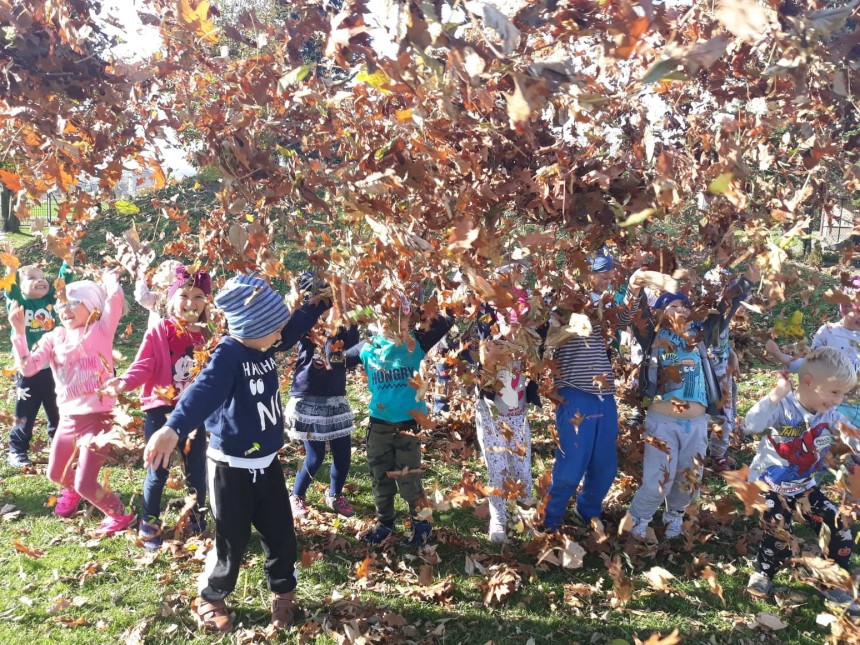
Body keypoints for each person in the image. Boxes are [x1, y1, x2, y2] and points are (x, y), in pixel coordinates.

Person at [143, 273, 329, 633]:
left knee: (281, 534)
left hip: (267, 465)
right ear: (252, 325)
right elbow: (202, 392)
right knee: (232, 539)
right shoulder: (228, 355)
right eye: (274, 329)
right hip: (230, 469)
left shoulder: (264, 344)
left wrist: (320, 302)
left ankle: (283, 592)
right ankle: (211, 595)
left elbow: (290, 329)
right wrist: (173, 427)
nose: (281, 336)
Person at [9, 270, 136, 537]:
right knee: (55, 474)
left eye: (73, 303)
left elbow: (114, 299)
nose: (65, 309)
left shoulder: (100, 329)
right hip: (68, 419)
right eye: (62, 304)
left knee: (85, 482)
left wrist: (110, 278)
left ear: (91, 307)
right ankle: (73, 492)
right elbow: (29, 368)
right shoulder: (54, 337)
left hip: (98, 419)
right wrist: (19, 334)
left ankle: (119, 514)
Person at [744, 348, 858, 613]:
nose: (838, 400)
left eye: (842, 393)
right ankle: (764, 571)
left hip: (804, 488)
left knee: (838, 526)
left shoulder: (829, 415)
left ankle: (834, 581)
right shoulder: (783, 407)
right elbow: (751, 423)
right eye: (834, 392)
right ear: (808, 382)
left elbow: (852, 437)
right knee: (779, 526)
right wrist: (776, 395)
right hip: (766, 486)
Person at [107, 265, 212, 550]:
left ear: (206, 302)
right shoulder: (161, 330)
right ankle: (149, 521)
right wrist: (123, 382)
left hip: (192, 414)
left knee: (196, 471)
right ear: (171, 298)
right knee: (158, 470)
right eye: (185, 295)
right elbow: (144, 364)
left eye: (199, 296)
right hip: (161, 412)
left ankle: (196, 518)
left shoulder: (207, 336)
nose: (191, 303)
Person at [345, 293, 454, 546]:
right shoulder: (368, 347)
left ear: (410, 321)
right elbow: (336, 357)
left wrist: (416, 306)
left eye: (402, 324)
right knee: (380, 478)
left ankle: (422, 523)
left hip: (408, 426)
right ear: (378, 322)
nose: (396, 331)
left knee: (408, 479)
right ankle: (385, 522)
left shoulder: (417, 341)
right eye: (389, 324)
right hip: (379, 425)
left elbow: (447, 318)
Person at [542, 250, 638, 533]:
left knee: (605, 463)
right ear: (585, 273)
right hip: (574, 392)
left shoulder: (607, 302)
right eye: (602, 270)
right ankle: (551, 517)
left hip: (604, 393)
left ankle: (589, 509)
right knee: (572, 461)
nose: (609, 276)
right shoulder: (562, 302)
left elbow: (623, 321)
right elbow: (547, 340)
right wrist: (577, 324)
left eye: (611, 271)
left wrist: (633, 290)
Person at [626, 288, 720, 541]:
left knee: (688, 480)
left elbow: (725, 312)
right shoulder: (652, 335)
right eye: (672, 305)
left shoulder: (699, 336)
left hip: (697, 424)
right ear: (659, 312)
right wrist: (638, 283)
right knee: (658, 481)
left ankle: (674, 517)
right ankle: (638, 520)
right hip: (663, 423)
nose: (680, 310)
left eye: (684, 305)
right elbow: (636, 312)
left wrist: (745, 282)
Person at [287, 272, 361, 519]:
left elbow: (348, 358)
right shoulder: (305, 326)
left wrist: (345, 320)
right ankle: (297, 495)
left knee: (343, 452)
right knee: (315, 455)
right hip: (308, 395)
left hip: (335, 397)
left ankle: (335, 494)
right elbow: (292, 327)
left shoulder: (346, 325)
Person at [469, 290, 539, 542]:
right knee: (498, 470)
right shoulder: (490, 346)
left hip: (518, 418)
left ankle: (525, 513)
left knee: (522, 469)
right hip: (492, 418)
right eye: (511, 323)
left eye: (521, 323)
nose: (516, 329)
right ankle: (497, 518)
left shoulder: (528, 347)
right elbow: (480, 375)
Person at [4, 259, 74, 467]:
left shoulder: (51, 300)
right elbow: (10, 289)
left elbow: (63, 282)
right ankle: (17, 450)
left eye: (43, 277)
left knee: (57, 410)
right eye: (32, 278)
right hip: (28, 371)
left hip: (54, 368)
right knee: (25, 413)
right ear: (21, 287)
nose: (41, 281)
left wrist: (67, 261)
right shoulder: (20, 304)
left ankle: (59, 448)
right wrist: (11, 268)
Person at [701, 266, 759, 472]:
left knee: (725, 413)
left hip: (723, 371)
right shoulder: (709, 316)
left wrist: (732, 354)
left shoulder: (722, 319)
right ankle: (708, 454)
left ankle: (716, 452)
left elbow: (722, 339)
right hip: (706, 376)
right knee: (710, 415)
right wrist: (747, 282)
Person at [134, 259, 183, 329]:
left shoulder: (185, 299)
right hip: (157, 338)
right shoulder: (156, 298)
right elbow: (142, 298)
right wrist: (141, 276)